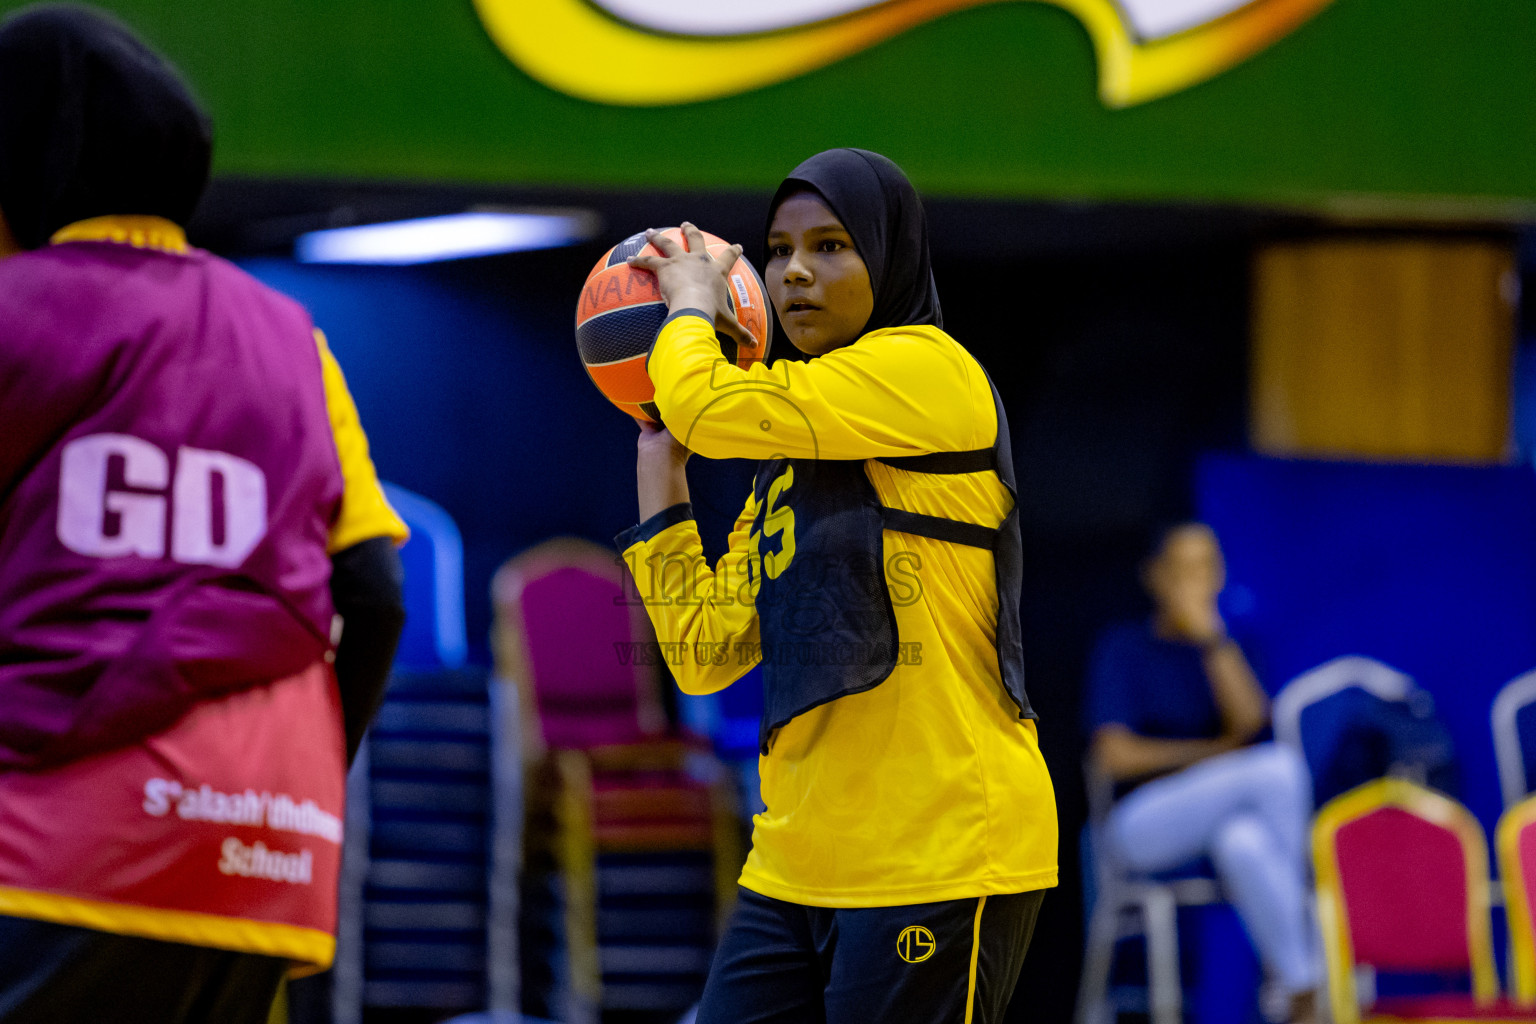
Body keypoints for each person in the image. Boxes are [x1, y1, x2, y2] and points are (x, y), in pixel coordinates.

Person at [0, 7, 407, 1022]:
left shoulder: (18, 309)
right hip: (267, 847)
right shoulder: (292, 336)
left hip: (54, 840)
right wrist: (292, 784)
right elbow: (374, 594)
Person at [617, 148, 1058, 1023]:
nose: (794, 275)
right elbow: (704, 655)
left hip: (940, 849)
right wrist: (659, 468)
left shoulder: (929, 369)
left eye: (830, 248)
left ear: (888, 259)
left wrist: (692, 306)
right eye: (779, 252)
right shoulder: (789, 448)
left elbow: (711, 404)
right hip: (795, 862)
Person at [1085, 522, 1318, 1024]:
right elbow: (1113, 757)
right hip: (1138, 826)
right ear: (1156, 576)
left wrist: (1213, 640)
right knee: (1277, 769)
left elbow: (1252, 725)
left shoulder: (1230, 648)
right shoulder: (1126, 647)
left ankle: (1298, 985)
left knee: (1245, 841)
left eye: (1209, 567)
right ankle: (1309, 964)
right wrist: (1211, 753)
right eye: (1185, 568)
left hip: (1215, 831)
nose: (1198, 580)